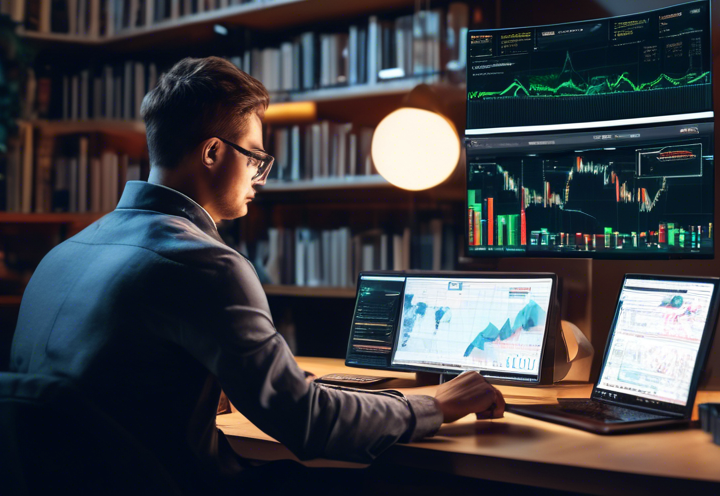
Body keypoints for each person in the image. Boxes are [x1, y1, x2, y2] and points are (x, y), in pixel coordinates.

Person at [8, 56, 505, 493]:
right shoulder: (205, 264)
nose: (259, 178)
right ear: (212, 152)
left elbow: (94, 393)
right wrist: (436, 404)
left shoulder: (63, 254)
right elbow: (306, 422)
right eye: (256, 157)